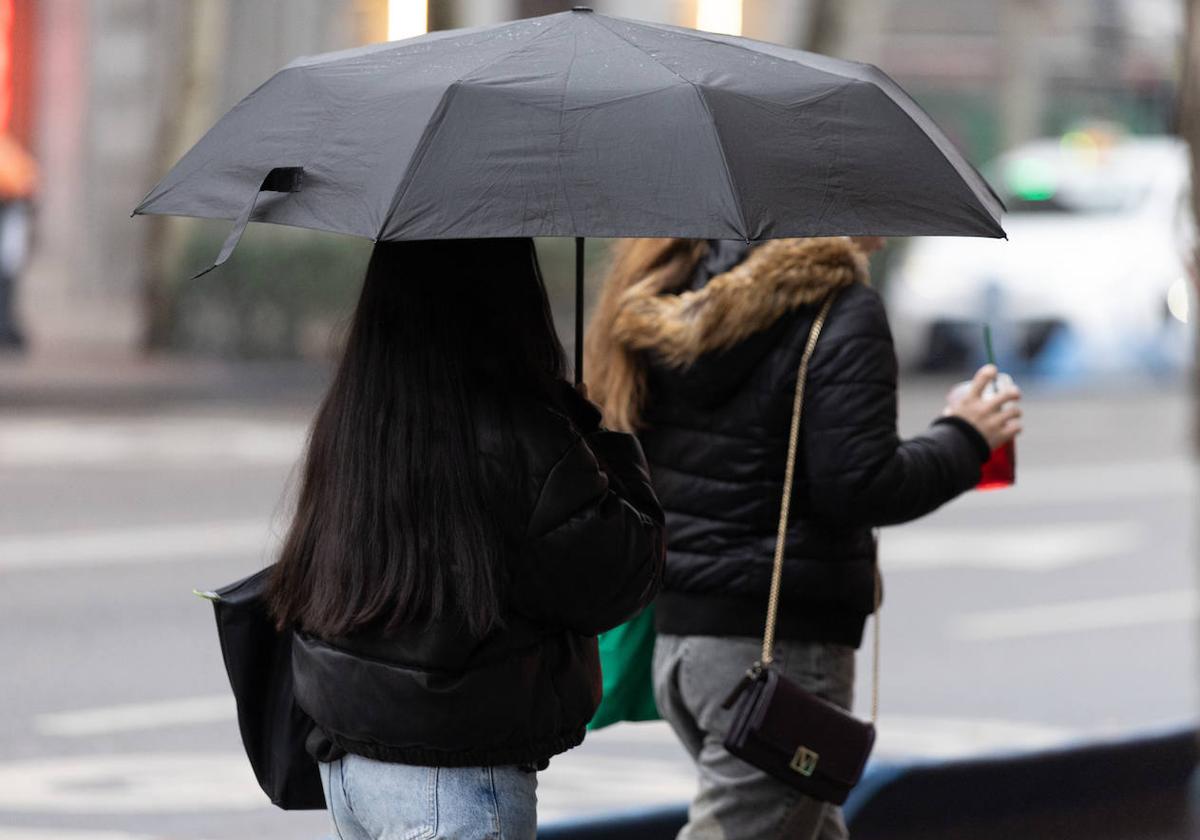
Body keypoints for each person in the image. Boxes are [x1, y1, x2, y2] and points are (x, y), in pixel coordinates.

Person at [585, 235, 1022, 840]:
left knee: (808, 828)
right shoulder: (837, 305)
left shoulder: (671, 292)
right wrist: (966, 437)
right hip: (776, 654)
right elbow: (861, 485)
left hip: (685, 647)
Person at [268, 238, 665, 840]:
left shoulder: (356, 414)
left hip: (351, 759)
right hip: (451, 779)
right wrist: (604, 442)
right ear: (506, 300)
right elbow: (621, 576)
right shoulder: (519, 432)